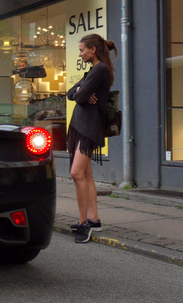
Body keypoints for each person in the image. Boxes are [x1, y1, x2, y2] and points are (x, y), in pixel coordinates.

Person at [66, 34, 117, 244]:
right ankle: (94, 219)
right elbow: (71, 93)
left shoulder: (101, 70)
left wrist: (82, 92)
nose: (80, 53)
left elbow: (78, 97)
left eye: (81, 50)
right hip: (82, 126)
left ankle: (84, 224)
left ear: (93, 50)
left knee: (76, 173)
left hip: (89, 128)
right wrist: (81, 90)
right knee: (86, 174)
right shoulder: (93, 71)